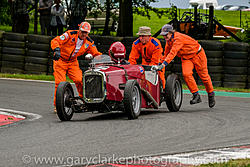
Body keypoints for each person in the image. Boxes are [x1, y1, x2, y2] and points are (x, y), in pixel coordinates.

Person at [152, 24, 215, 108]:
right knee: (186, 74)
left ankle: (211, 93)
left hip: (197, 55)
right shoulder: (169, 41)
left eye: (166, 34)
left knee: (204, 76)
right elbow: (166, 54)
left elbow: (173, 53)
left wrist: (163, 65)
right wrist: (159, 64)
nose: (164, 36)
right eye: (163, 35)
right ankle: (196, 95)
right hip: (186, 58)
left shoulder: (178, 39)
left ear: (171, 33)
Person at [51, 21, 102, 112]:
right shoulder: (70, 34)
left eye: (86, 32)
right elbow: (55, 40)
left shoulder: (89, 42)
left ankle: (85, 100)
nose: (83, 34)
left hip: (73, 62)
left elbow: (96, 54)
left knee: (80, 80)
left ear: (88, 33)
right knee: (60, 83)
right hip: (60, 61)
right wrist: (57, 49)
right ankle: (57, 105)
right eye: (82, 31)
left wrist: (103, 60)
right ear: (79, 30)